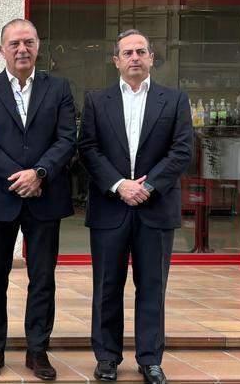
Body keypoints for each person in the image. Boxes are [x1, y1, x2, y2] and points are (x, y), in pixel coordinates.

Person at [80, 30, 192, 384]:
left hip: (155, 208)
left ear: (151, 58)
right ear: (116, 60)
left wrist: (149, 186)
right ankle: (107, 357)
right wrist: (119, 185)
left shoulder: (173, 100)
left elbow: (182, 150)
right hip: (110, 207)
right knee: (107, 286)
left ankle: (150, 358)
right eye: (127, 52)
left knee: (152, 286)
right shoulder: (97, 101)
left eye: (140, 51)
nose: (134, 57)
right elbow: (88, 149)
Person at [0, 19, 75, 381]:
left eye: (28, 42)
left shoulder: (59, 88)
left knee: (42, 278)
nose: (21, 49)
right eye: (14, 43)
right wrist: (20, 176)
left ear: (38, 47)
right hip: (0, 196)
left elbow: (66, 138)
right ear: (1, 50)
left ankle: (37, 350)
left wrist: (39, 173)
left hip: (46, 196)